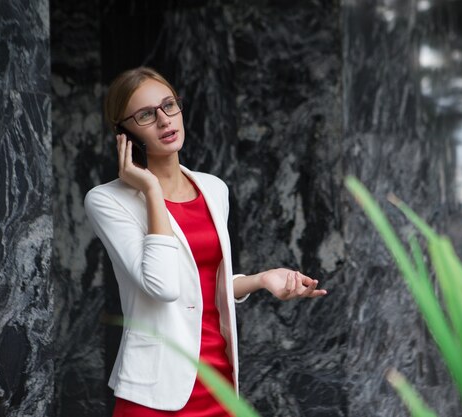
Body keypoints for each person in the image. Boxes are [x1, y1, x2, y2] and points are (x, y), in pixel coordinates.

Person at [84, 67, 327, 417]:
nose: (165, 120)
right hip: (155, 394)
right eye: (146, 115)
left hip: (219, 382)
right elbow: (163, 286)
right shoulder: (107, 200)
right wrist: (152, 190)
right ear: (124, 133)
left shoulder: (213, 189)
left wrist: (261, 280)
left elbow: (196, 287)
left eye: (169, 105)